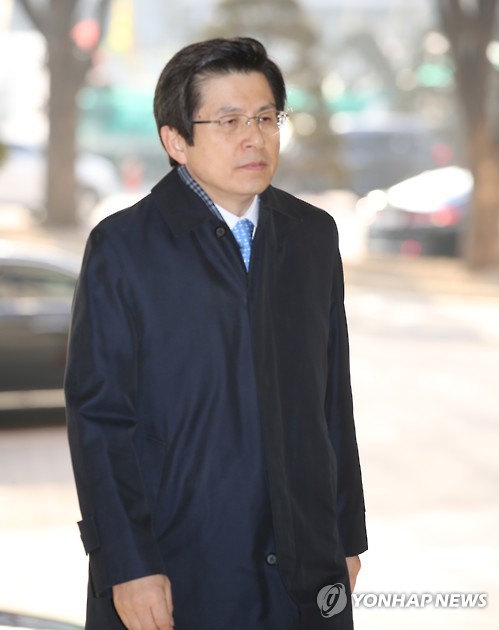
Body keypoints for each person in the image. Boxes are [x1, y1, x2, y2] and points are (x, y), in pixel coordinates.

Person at [65, 36, 367, 630]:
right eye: (228, 121)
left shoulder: (312, 235)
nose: (253, 138)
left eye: (265, 118)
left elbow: (333, 397)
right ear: (176, 140)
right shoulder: (123, 248)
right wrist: (127, 564)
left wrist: (346, 534)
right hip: (177, 567)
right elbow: (99, 419)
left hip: (306, 565)